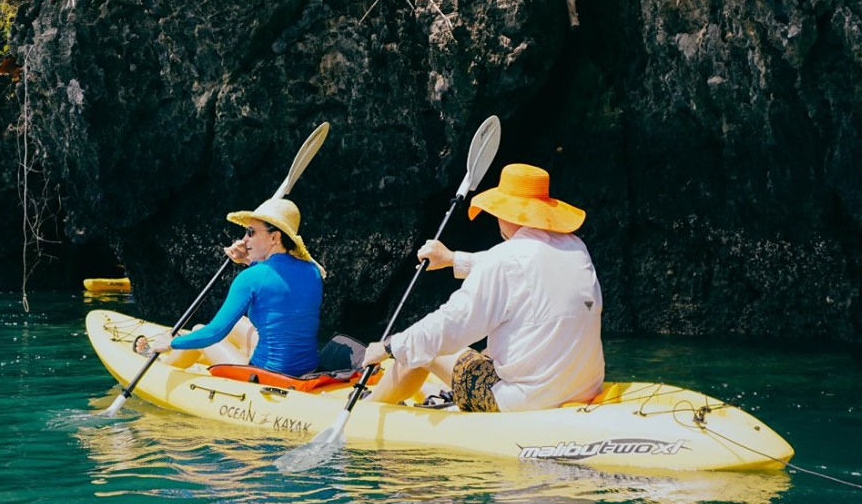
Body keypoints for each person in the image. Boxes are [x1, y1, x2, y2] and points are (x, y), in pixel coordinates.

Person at [364, 164, 603, 412]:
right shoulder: (575, 248)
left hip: (525, 400)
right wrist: (452, 259)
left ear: (508, 213)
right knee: (475, 349)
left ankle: (367, 409)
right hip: (585, 387)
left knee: (422, 349)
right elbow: (522, 271)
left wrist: (389, 346)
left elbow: (451, 324)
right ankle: (432, 393)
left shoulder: (504, 259)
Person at [137, 197, 324, 376]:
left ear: (274, 237)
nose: (243, 240)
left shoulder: (250, 278)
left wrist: (173, 343)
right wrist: (246, 260)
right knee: (239, 324)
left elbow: (214, 333)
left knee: (199, 330)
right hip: (307, 368)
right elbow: (277, 276)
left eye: (251, 232)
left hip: (267, 375)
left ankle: (162, 364)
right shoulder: (312, 271)